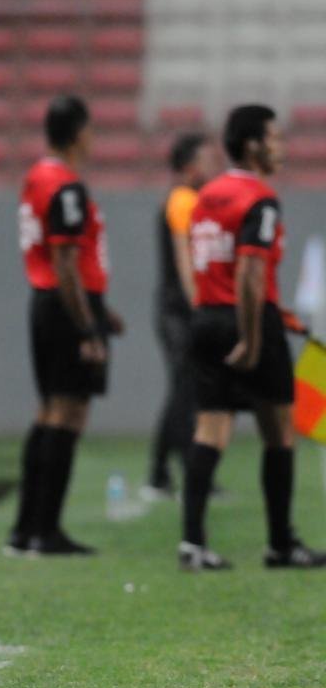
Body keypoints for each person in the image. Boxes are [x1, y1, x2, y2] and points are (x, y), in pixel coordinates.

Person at [180, 104, 326, 570]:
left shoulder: (206, 195)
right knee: (280, 431)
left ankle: (192, 544)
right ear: (252, 145)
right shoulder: (259, 199)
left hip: (205, 317)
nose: (282, 147)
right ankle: (281, 544)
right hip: (246, 320)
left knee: (211, 429)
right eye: (275, 138)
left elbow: (215, 267)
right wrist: (251, 333)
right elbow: (248, 271)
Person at [6, 94, 123, 558]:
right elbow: (66, 263)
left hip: (48, 303)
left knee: (50, 411)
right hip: (66, 306)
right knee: (67, 413)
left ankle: (25, 529)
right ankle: (46, 531)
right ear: (78, 133)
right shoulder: (67, 187)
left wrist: (102, 310)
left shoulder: (37, 177)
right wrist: (89, 326)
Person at [146, 133, 216, 499]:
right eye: (207, 159)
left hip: (177, 311)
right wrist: (199, 307)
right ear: (189, 166)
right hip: (179, 313)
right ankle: (170, 472)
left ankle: (170, 472)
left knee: (185, 392)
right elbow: (185, 260)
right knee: (185, 393)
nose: (213, 165)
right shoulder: (183, 201)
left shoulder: (186, 200)